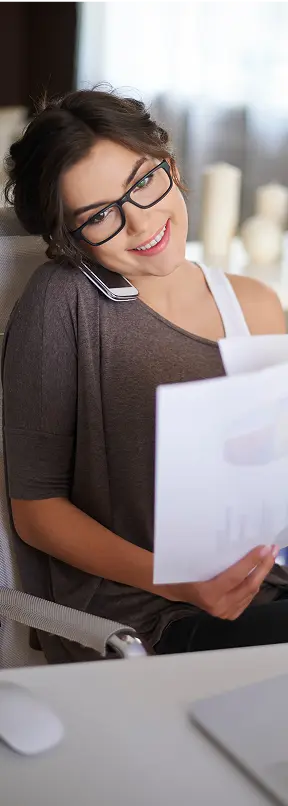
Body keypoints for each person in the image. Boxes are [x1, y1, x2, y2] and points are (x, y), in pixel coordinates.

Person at [2, 88, 288, 664]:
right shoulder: (64, 304)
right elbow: (37, 512)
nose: (141, 222)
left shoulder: (255, 304)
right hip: (148, 616)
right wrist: (179, 583)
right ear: (68, 237)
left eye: (143, 183)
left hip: (266, 587)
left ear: (171, 166)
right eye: (100, 215)